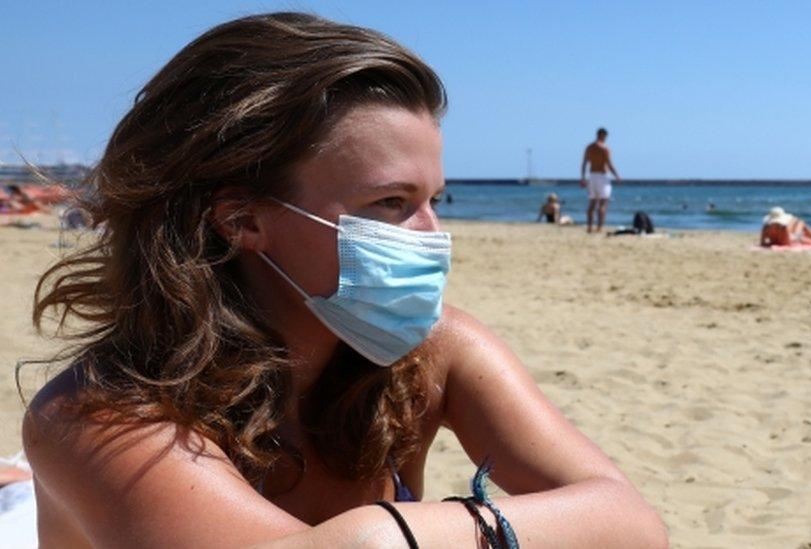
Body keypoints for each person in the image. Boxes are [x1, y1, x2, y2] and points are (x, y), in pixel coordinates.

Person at [21, 13, 667, 548]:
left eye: (434, 199)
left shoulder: (433, 352)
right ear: (241, 218)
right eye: (390, 203)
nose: (430, 235)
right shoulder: (93, 418)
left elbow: (633, 524)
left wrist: (375, 535)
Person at [580, 128, 620, 233]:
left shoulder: (589, 147)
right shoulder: (604, 148)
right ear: (603, 135)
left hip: (592, 175)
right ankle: (599, 227)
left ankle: (589, 227)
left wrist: (583, 177)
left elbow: (584, 163)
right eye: (605, 136)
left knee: (592, 202)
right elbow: (609, 164)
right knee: (603, 203)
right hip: (602, 176)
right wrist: (617, 176)